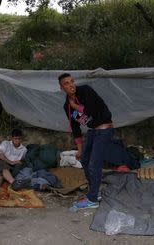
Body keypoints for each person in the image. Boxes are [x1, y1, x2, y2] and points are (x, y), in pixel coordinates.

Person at [58, 73, 114, 209]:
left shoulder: (86, 91)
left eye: (72, 81)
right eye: (66, 83)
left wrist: (76, 106)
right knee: (84, 159)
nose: (71, 85)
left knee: (94, 164)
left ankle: (93, 198)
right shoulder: (67, 107)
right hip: (93, 131)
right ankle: (94, 191)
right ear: (61, 88)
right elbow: (75, 128)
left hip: (104, 129)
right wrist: (80, 149)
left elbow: (92, 110)